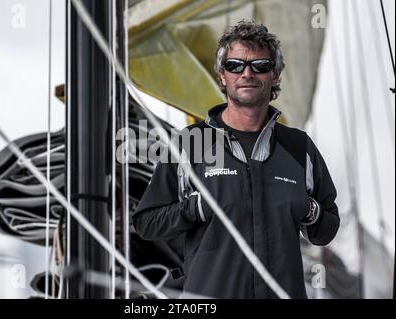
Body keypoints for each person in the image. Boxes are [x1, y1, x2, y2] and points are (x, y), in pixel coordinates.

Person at [132, 20, 340, 299]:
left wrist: (310, 210)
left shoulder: (297, 147)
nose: (247, 73)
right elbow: (146, 223)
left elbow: (326, 230)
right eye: (235, 65)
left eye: (260, 65)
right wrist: (194, 208)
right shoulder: (192, 143)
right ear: (222, 75)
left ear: (275, 75)